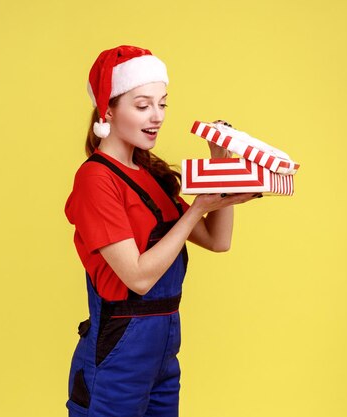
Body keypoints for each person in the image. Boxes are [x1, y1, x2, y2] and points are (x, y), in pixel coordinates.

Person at [64, 45, 261, 417]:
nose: (157, 117)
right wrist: (199, 208)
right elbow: (137, 277)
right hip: (118, 352)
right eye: (142, 106)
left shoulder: (151, 174)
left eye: (162, 104)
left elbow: (218, 241)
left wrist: (223, 167)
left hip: (165, 347)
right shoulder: (95, 179)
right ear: (108, 109)